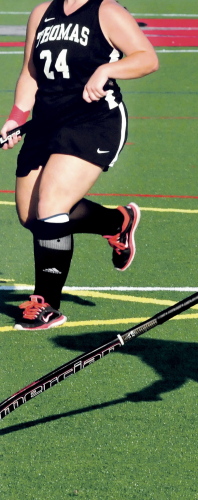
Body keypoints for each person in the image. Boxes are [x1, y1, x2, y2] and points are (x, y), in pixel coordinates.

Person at [1, 0, 158, 330]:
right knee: (32, 216)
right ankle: (117, 222)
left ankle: (46, 304)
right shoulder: (42, 12)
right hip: (45, 122)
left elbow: (147, 59)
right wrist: (16, 118)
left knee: (52, 205)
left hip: (93, 121)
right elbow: (31, 71)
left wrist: (106, 70)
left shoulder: (106, 11)